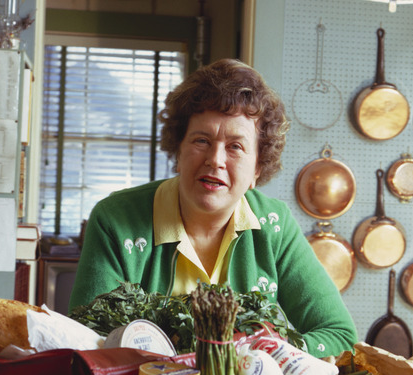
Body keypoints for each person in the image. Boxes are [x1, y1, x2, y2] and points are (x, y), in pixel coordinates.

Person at [69, 58, 358, 357]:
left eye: (235, 146)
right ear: (178, 151)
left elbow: (340, 335)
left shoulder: (275, 226)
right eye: (201, 140)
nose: (215, 159)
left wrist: (272, 353)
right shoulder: (115, 219)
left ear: (257, 167)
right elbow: (87, 338)